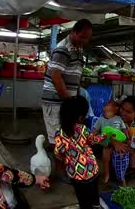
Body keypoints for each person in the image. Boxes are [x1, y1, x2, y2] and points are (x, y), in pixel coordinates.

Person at [42, 19, 93, 173]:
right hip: (55, 101)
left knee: (66, 135)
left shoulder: (78, 49)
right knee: (58, 138)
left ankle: (66, 167)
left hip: (66, 101)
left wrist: (75, 98)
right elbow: (56, 77)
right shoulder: (63, 49)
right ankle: (59, 172)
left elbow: (75, 76)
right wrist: (69, 101)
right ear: (74, 32)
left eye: (87, 38)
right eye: (82, 37)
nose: (85, 41)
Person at [54, 96, 104, 209]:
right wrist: (104, 136)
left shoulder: (59, 133)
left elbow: (58, 153)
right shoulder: (83, 129)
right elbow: (92, 140)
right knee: (94, 191)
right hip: (92, 168)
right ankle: (96, 205)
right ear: (80, 117)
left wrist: (65, 159)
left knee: (83, 199)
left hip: (77, 173)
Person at [91, 100, 128, 183]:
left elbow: (124, 129)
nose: (107, 111)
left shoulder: (118, 118)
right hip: (107, 142)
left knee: (122, 153)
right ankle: (106, 174)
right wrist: (92, 137)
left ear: (115, 110)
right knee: (105, 156)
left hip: (119, 141)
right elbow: (94, 131)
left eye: (110, 109)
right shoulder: (100, 120)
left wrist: (127, 138)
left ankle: (121, 175)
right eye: (106, 108)